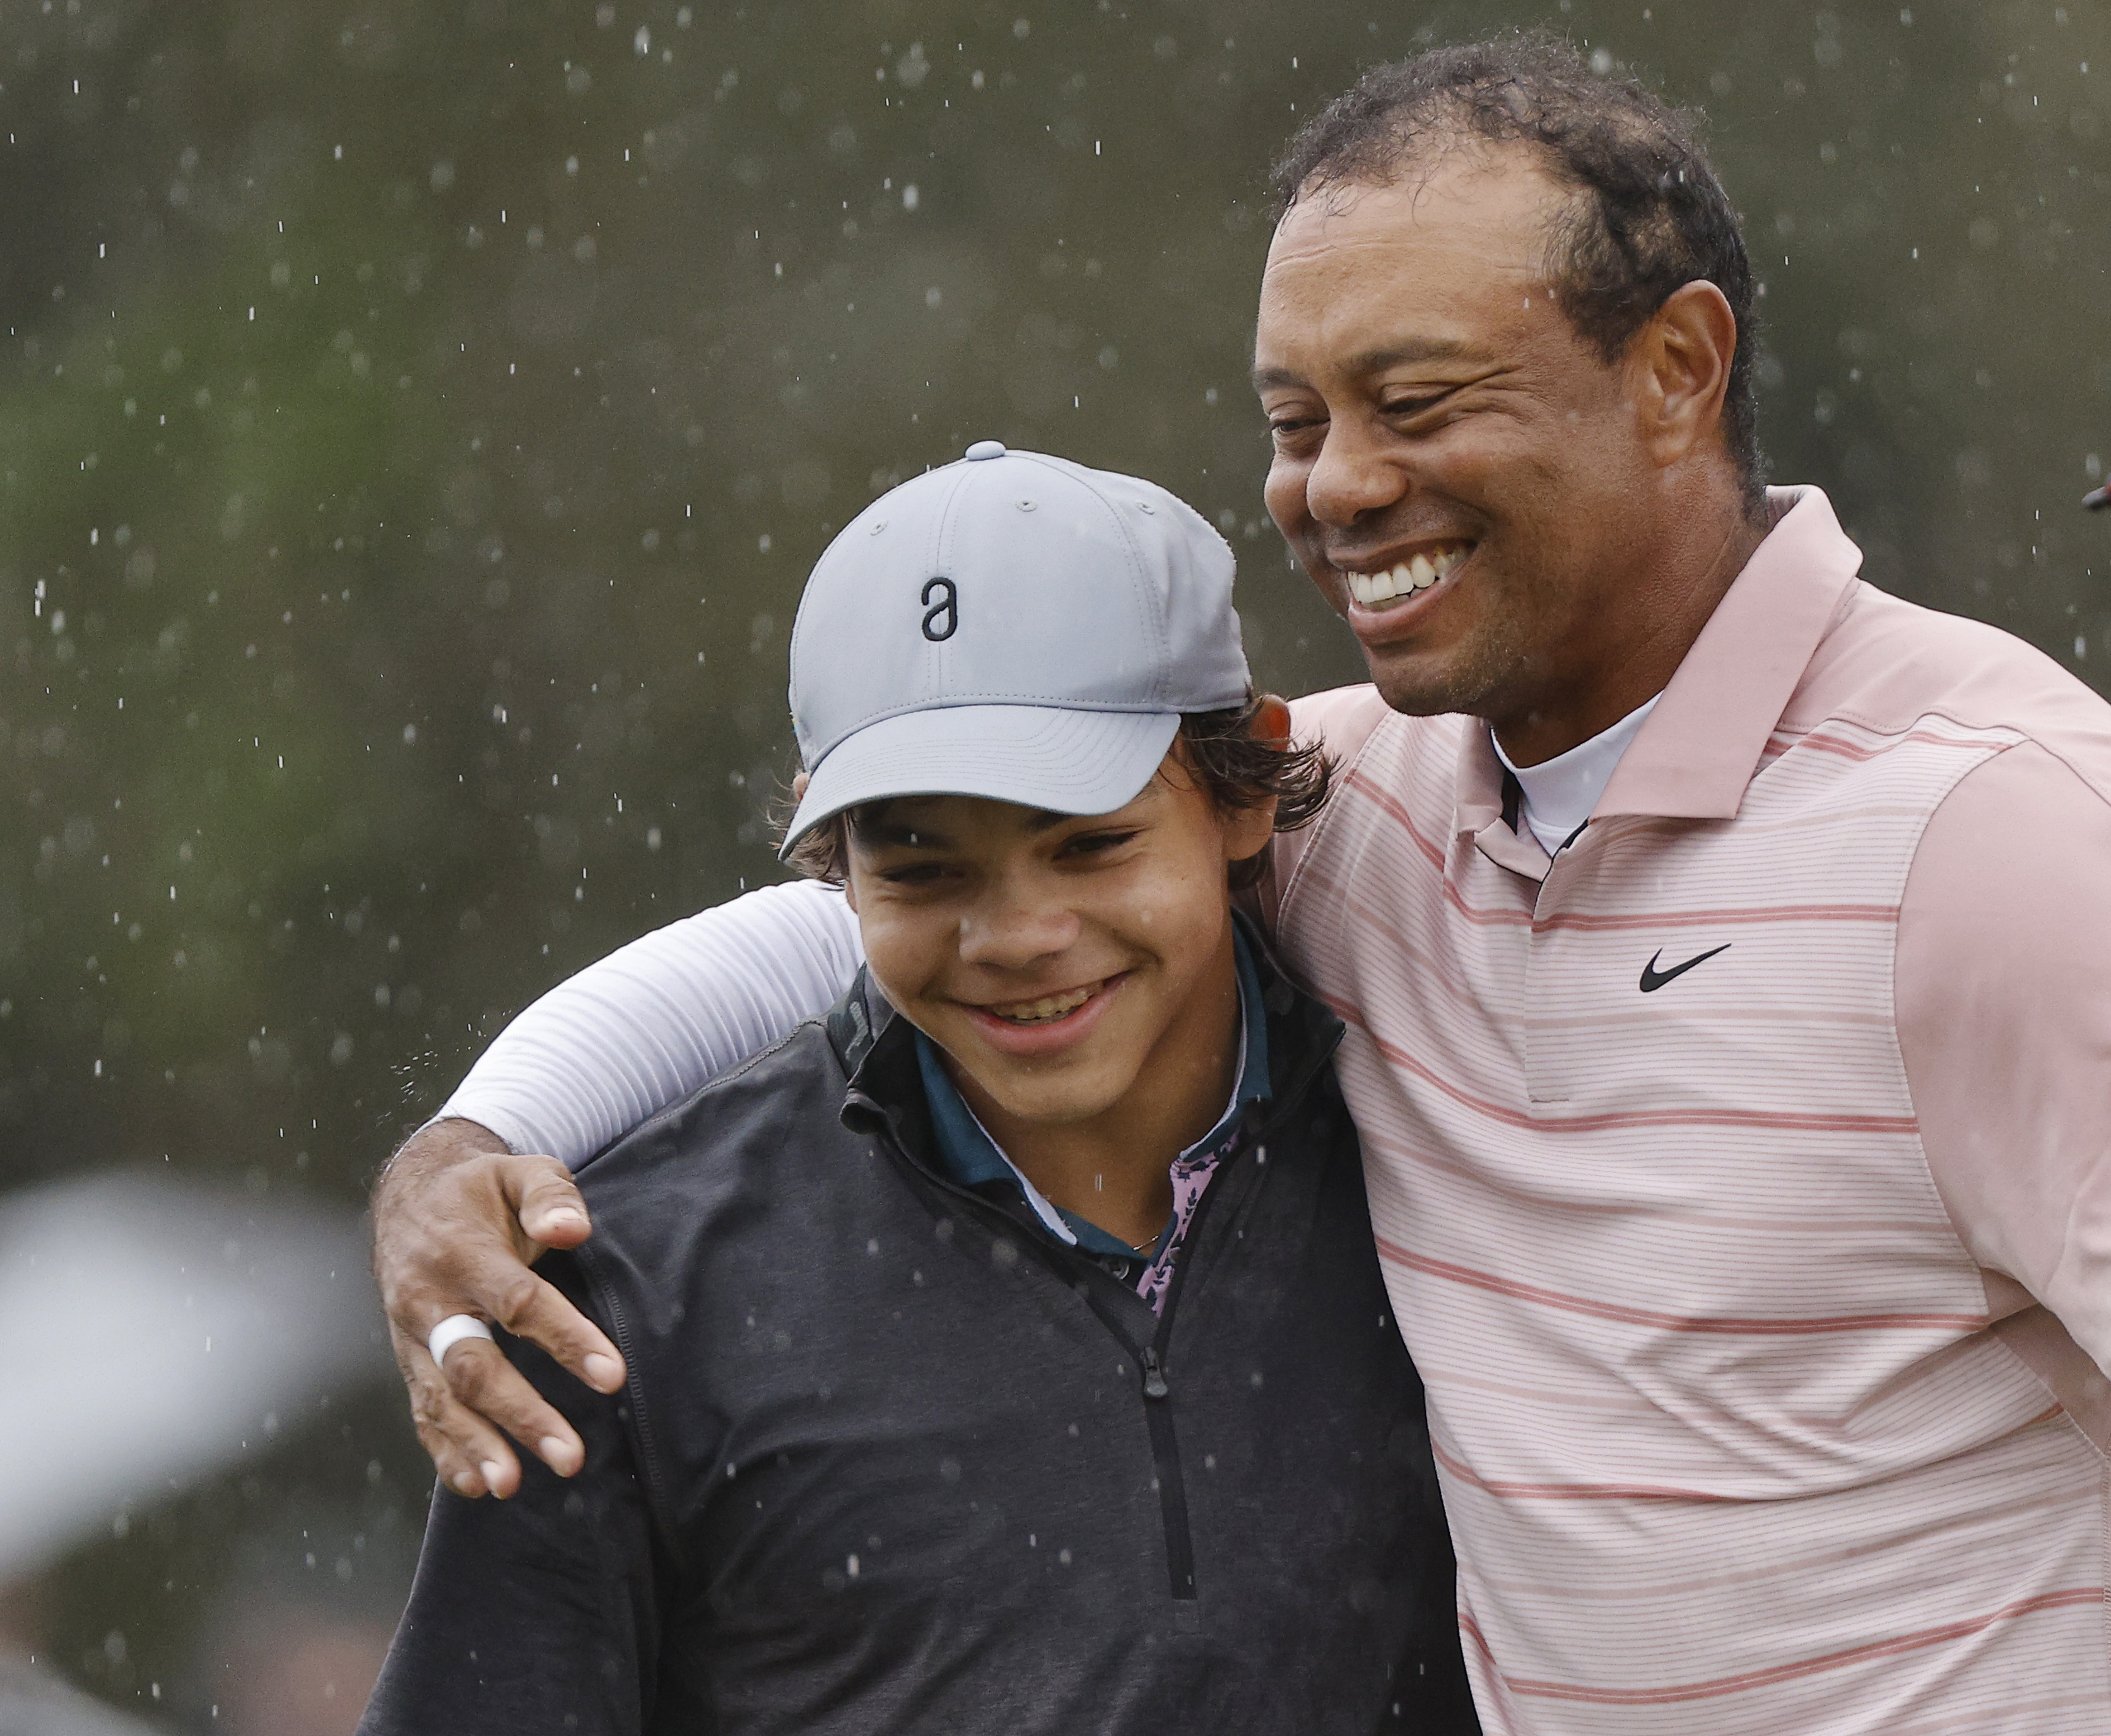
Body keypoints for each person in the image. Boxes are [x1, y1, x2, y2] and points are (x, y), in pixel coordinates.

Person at [372, 36, 2111, 1736]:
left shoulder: (2009, 827)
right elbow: (907, 909)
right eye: (1295, 418)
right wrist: (486, 1140)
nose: (1335, 490)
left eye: (1412, 401)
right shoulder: (1375, 803)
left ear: (1676, 370)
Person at [358, 450, 1475, 1733]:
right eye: (924, 869)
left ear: (1240, 791)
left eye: (1090, 842)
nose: (1015, 934)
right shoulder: (622, 1300)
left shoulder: (1447, 1136)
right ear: (830, 858)